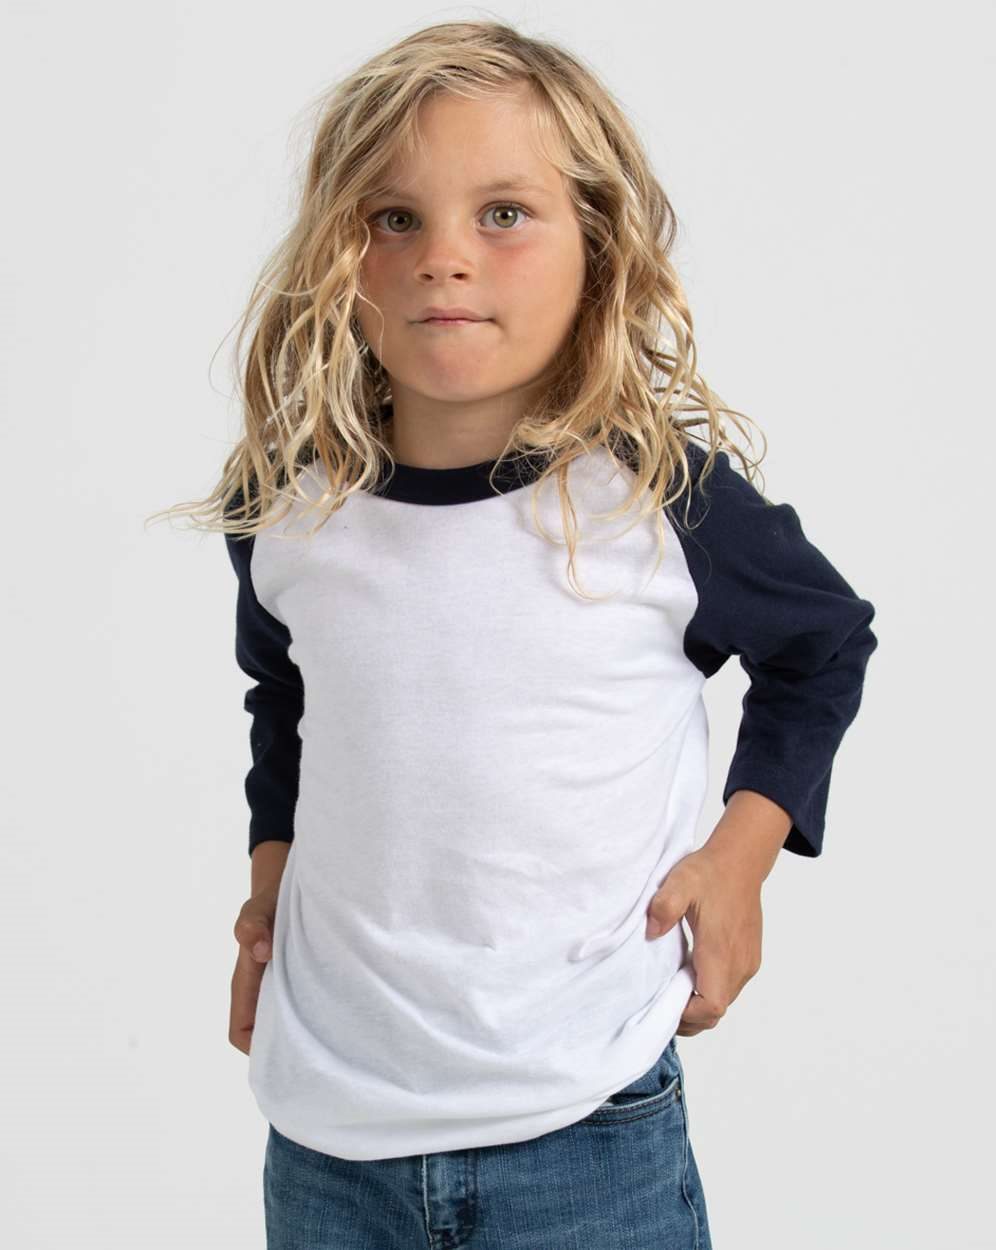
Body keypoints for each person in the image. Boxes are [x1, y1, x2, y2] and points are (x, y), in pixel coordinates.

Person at [179, 19, 878, 1249]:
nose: (444, 258)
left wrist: (739, 859)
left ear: (597, 248)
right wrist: (267, 887)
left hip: (587, 1130)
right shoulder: (292, 509)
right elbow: (285, 701)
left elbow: (822, 643)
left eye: (503, 213)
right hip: (329, 1139)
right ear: (336, 251)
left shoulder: (656, 501)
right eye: (395, 218)